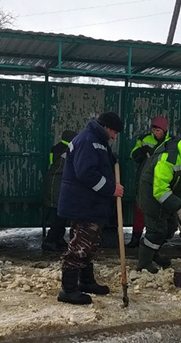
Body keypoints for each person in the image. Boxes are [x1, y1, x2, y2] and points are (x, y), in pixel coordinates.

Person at [57, 112, 124, 305]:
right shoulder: (88, 141)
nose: (114, 136)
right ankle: (68, 290)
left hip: (92, 204)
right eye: (114, 132)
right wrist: (112, 188)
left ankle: (86, 281)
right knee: (80, 246)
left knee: (90, 245)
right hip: (83, 204)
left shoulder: (98, 142)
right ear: (107, 128)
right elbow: (86, 173)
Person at [136, 135, 181, 273]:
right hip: (152, 195)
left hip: (168, 196)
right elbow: (160, 189)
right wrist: (178, 206)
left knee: (169, 228)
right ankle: (144, 264)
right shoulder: (169, 158)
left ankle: (153, 253)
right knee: (156, 231)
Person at [126, 116, 171, 248]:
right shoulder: (144, 139)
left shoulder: (171, 142)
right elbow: (133, 155)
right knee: (140, 208)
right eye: (153, 129)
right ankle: (136, 237)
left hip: (162, 178)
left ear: (164, 130)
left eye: (158, 130)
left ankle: (158, 238)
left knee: (160, 210)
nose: (155, 132)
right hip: (145, 177)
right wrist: (141, 151)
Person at [42, 129, 77, 252]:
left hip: (54, 182)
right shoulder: (67, 150)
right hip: (58, 184)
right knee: (61, 214)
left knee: (61, 213)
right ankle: (50, 240)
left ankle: (58, 238)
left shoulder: (56, 148)